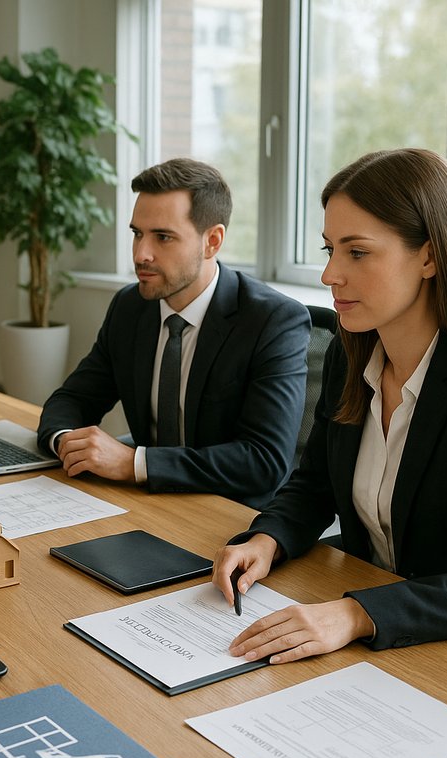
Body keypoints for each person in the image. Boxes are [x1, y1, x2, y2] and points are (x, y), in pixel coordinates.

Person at [214, 148, 447, 663]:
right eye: (329, 250)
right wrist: (267, 538)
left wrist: (356, 614)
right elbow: (314, 484)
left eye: (357, 252)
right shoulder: (350, 355)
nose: (330, 275)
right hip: (368, 650)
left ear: (429, 257)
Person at [37, 158, 310, 508]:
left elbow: (263, 461)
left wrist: (133, 463)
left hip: (230, 516)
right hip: (146, 502)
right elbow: (73, 399)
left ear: (212, 241)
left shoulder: (273, 320)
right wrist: (65, 442)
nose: (141, 254)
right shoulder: (130, 306)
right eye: (137, 233)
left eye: (162, 237)